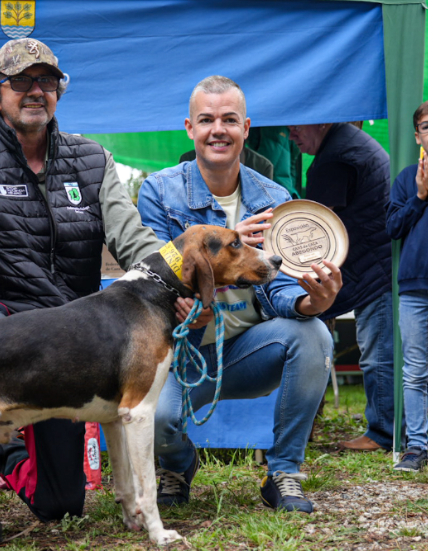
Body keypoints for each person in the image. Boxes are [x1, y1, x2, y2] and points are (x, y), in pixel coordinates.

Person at [0, 38, 162, 547]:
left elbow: (135, 239)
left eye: (47, 82)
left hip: (68, 333)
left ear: (58, 93)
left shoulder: (93, 159)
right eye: (21, 82)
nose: (36, 91)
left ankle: (6, 452)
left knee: (59, 506)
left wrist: (174, 284)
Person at [138, 75, 343, 513]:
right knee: (158, 419)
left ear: (246, 128)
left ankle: (283, 470)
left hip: (251, 351)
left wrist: (314, 301)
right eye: (207, 119)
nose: (219, 130)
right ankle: (177, 465)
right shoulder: (159, 190)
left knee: (315, 334)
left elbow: (284, 287)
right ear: (189, 128)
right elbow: (154, 278)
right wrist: (226, 259)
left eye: (229, 120)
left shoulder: (274, 197)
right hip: (184, 352)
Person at [288, 120, 395, 453]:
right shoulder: (347, 143)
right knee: (383, 350)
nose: (290, 135)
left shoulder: (335, 157)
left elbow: (316, 229)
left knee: (379, 354)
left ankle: (383, 433)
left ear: (320, 121)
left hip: (377, 266)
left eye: (296, 128)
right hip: (382, 258)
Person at [386, 101, 428, 471]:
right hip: (416, 286)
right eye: (428, 126)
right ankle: (417, 444)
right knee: (416, 368)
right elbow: (392, 229)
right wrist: (419, 196)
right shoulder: (405, 178)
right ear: (418, 135)